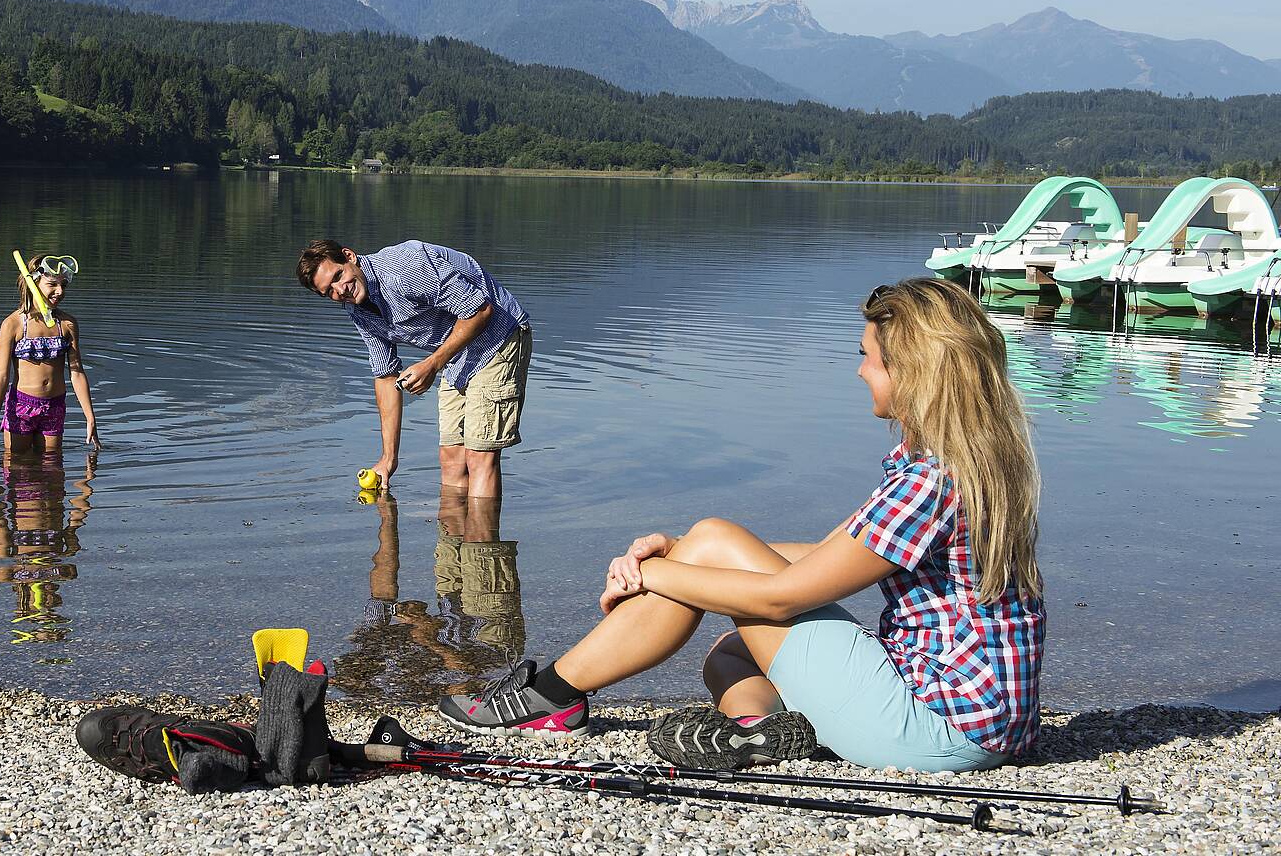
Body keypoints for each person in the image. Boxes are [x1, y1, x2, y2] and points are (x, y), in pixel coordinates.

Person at [441, 277, 1045, 776]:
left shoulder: (931, 482)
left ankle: (547, 697)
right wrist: (684, 553)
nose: (860, 371)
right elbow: (837, 553)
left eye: (868, 357)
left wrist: (662, 574)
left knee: (719, 547)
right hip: (981, 722)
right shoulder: (968, 463)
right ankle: (758, 733)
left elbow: (780, 598)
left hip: (934, 732)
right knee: (729, 656)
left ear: (911, 374)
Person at [295, 239, 531, 502]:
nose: (341, 290)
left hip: (497, 336)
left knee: (479, 456)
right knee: (451, 459)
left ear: (349, 257)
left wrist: (432, 364)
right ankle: (452, 536)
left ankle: (482, 539)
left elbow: (479, 309)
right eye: (330, 291)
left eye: (338, 275)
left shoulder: (405, 268)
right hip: (455, 353)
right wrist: (388, 459)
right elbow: (385, 376)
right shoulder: (357, 309)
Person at [0, 253, 100, 457]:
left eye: (63, 285)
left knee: (53, 470)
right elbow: (1, 376)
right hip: (21, 407)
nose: (59, 291)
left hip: (55, 406)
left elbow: (77, 372)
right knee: (16, 467)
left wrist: (90, 417)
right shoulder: (13, 324)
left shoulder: (67, 325)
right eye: (52, 284)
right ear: (33, 282)